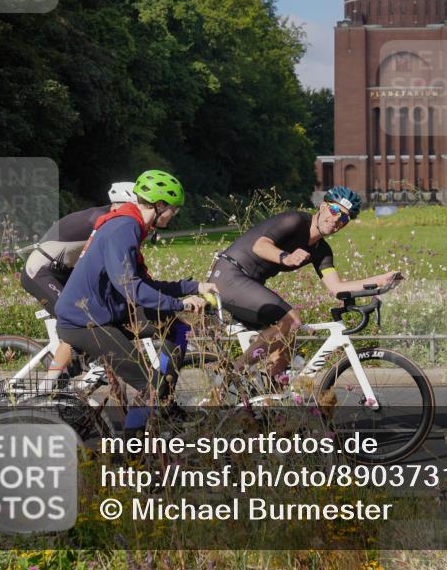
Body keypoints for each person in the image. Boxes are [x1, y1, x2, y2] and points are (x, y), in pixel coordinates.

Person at [55, 170, 216, 427]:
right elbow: (130, 286)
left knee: (177, 328)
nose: (174, 215)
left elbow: (146, 284)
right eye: (174, 209)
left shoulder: (131, 224)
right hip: (85, 321)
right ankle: (131, 454)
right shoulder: (124, 227)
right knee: (148, 387)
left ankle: (164, 401)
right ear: (160, 205)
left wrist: (194, 286)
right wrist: (181, 303)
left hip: (104, 312)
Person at [208, 186, 400, 381]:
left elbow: (336, 288)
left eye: (344, 218)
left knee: (286, 349)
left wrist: (379, 280)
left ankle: (270, 403)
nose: (336, 219)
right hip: (229, 275)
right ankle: (231, 373)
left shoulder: (321, 250)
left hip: (247, 284)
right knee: (292, 322)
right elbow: (260, 245)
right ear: (323, 206)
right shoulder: (295, 221)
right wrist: (286, 257)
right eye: (334, 211)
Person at [21, 182, 136, 390]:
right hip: (41, 272)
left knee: (96, 311)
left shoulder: (112, 220)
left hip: (64, 270)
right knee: (76, 318)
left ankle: (81, 362)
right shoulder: (98, 220)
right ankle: (47, 386)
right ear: (118, 206)